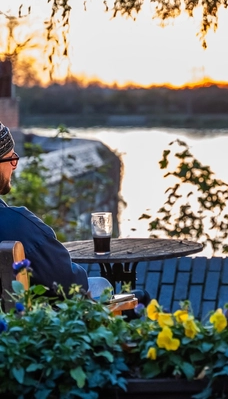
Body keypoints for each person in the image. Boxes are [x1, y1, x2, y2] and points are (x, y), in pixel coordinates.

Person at [0, 121, 149, 310]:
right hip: (24, 334)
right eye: (11, 160)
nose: (14, 167)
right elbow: (71, 283)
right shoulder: (17, 224)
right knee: (115, 290)